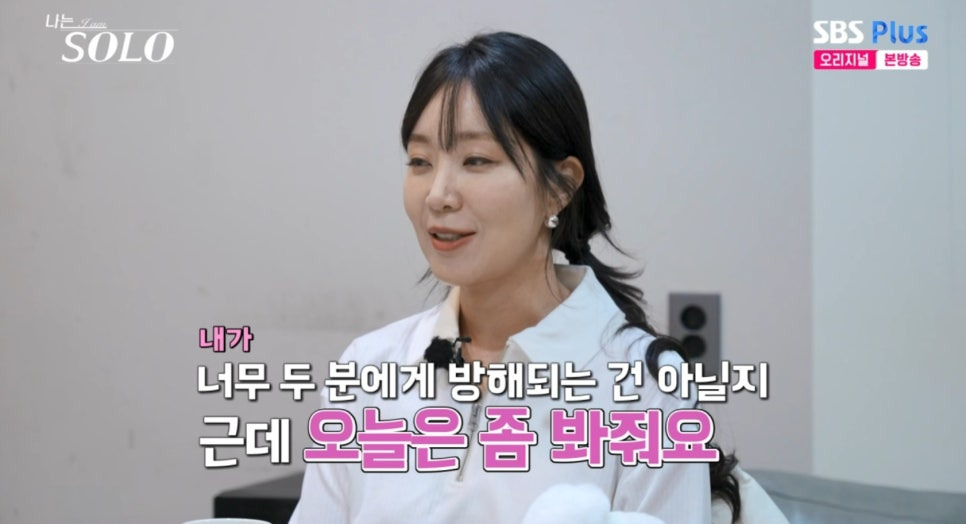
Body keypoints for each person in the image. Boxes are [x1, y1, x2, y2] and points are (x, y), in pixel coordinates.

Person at [291, 31, 752, 524]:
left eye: (476, 161)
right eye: (420, 162)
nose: (438, 195)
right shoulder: (368, 367)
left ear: (561, 187)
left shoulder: (645, 390)